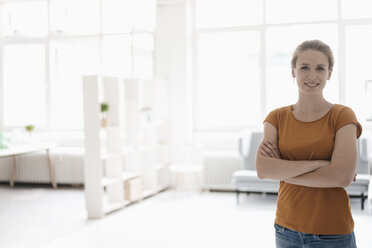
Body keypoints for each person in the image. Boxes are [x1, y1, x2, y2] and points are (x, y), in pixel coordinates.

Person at [256, 39, 362, 248]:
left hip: (331, 233)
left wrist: (282, 170)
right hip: (285, 229)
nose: (312, 76)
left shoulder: (342, 116)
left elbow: (342, 177)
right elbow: (263, 170)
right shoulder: (276, 118)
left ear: (329, 73)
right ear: (293, 71)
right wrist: (322, 164)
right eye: (304, 67)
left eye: (320, 68)